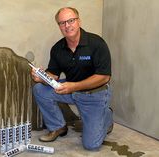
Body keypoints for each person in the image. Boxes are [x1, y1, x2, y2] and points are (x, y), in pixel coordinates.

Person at [31, 7, 113, 151]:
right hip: (71, 91)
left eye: (70, 20)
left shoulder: (97, 44)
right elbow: (54, 76)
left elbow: (104, 77)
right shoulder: (58, 48)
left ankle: (106, 116)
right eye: (62, 23)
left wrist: (74, 87)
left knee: (91, 145)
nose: (67, 25)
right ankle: (58, 127)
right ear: (59, 26)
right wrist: (41, 77)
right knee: (40, 89)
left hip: (94, 95)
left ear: (78, 21)